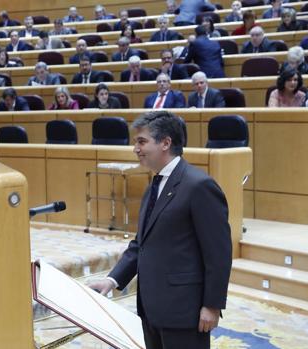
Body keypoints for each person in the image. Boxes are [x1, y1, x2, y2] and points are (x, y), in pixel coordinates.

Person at [88, 110, 232, 349]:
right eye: (136, 142)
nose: (136, 148)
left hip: (184, 311)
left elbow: (218, 252)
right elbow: (140, 244)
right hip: (152, 308)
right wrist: (112, 280)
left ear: (166, 143)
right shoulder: (154, 185)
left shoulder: (199, 185)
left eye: (142, 141)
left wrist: (213, 305)